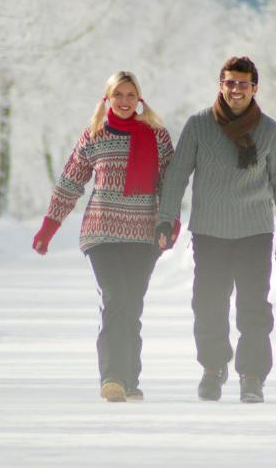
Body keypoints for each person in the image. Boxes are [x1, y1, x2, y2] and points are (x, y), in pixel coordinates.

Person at [32, 71, 177, 403]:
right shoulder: (94, 135)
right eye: (118, 95)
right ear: (107, 98)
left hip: (144, 234)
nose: (124, 101)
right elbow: (70, 183)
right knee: (115, 299)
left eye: (130, 95)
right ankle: (112, 378)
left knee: (132, 305)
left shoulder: (158, 137)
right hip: (102, 232)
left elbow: (170, 185)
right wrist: (48, 228)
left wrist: (170, 224)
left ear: (139, 98)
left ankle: (130, 379)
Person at [156, 56, 276, 403]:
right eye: (230, 83)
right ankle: (213, 369)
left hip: (254, 232)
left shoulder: (270, 131)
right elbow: (177, 174)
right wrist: (166, 217)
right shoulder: (199, 125)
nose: (236, 89)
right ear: (221, 85)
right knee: (208, 305)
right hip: (210, 232)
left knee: (253, 307)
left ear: (254, 88)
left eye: (243, 84)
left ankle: (251, 377)